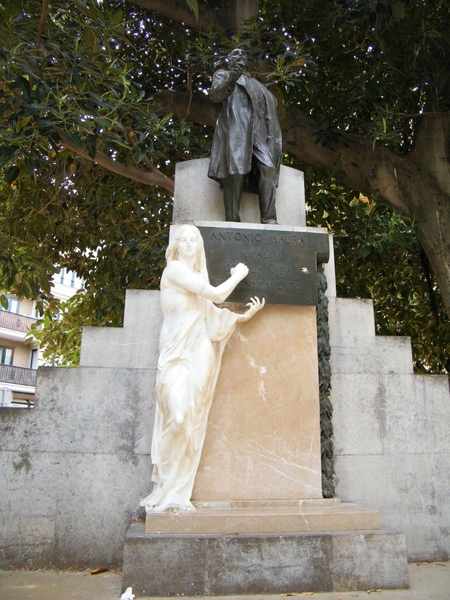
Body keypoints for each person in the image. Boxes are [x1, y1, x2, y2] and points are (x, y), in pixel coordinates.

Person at [140, 225, 264, 513]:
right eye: (182, 239)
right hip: (175, 354)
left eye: (193, 239)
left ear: (199, 246)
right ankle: (166, 486)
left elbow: (210, 313)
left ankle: (178, 492)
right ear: (176, 245)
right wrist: (237, 276)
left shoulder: (196, 277)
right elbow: (217, 296)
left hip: (199, 348)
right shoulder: (173, 270)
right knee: (179, 415)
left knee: (193, 417)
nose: (187, 243)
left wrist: (244, 315)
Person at [208, 48, 282, 224]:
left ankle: (269, 219)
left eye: (243, 55)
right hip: (237, 130)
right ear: (229, 60)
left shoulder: (257, 85)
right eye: (235, 54)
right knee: (235, 173)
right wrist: (232, 77)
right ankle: (232, 219)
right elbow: (215, 95)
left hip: (258, 133)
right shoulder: (223, 75)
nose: (240, 56)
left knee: (268, 169)